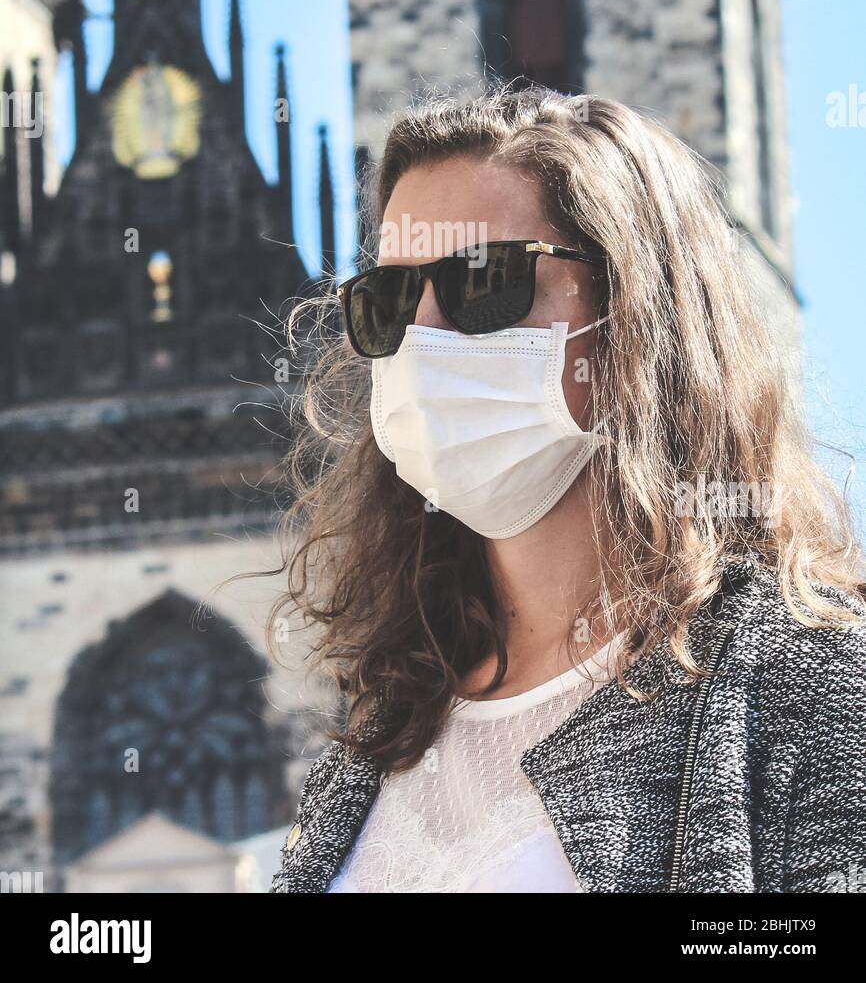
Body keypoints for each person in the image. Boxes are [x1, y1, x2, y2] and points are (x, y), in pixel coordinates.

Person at [268, 87, 866, 894]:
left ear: (636, 315)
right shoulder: (388, 719)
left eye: (484, 284)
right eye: (390, 302)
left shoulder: (810, 676)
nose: (423, 341)